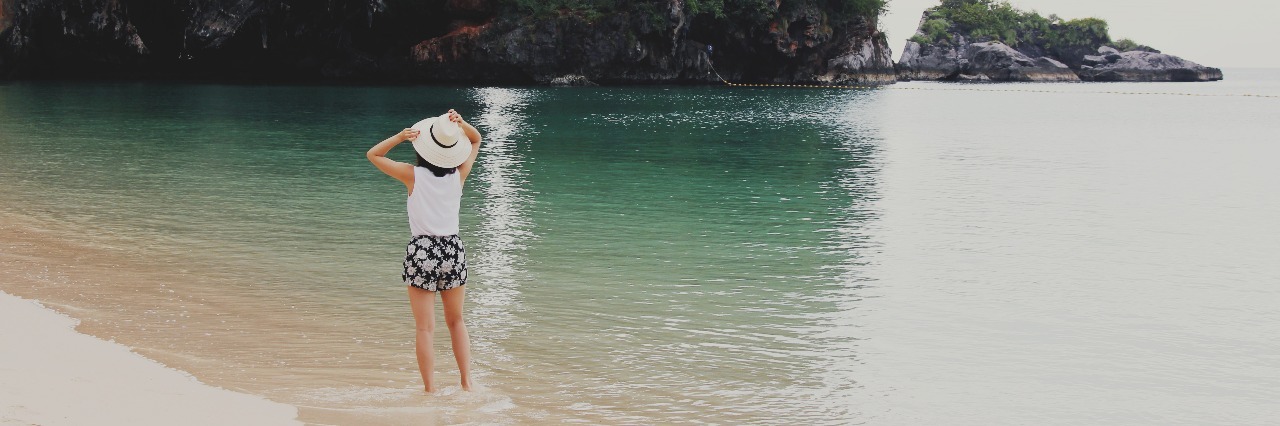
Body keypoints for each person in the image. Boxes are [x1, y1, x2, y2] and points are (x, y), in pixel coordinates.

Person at [366, 109, 482, 392]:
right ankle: (467, 384)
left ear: (423, 148)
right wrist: (461, 124)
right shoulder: (458, 176)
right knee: (456, 321)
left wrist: (400, 137)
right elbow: (477, 141)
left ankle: (430, 390)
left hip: (422, 250)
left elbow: (374, 155)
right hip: (453, 249)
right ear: (452, 152)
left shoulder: (412, 175)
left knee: (425, 329)